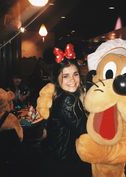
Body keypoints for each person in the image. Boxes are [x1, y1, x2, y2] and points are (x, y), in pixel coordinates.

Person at [41, 43, 91, 177]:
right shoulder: (67, 100)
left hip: (60, 158)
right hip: (66, 162)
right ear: (58, 79)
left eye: (75, 74)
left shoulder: (67, 96)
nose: (72, 80)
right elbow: (86, 130)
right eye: (66, 76)